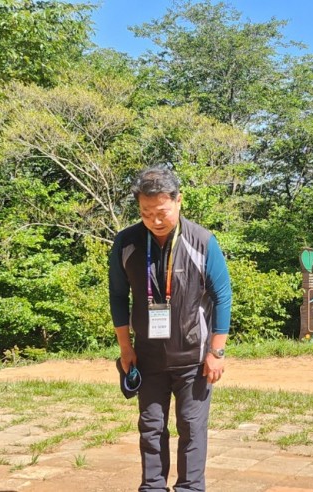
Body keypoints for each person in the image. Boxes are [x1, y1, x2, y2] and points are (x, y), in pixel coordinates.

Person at [108, 166, 233, 492]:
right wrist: (125, 348)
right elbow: (118, 296)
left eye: (161, 211)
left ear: (179, 201)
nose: (155, 220)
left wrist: (216, 351)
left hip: (194, 358)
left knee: (191, 427)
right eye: (146, 213)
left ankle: (190, 488)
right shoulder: (127, 243)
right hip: (147, 357)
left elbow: (222, 295)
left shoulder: (202, 241)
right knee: (151, 427)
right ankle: (152, 487)